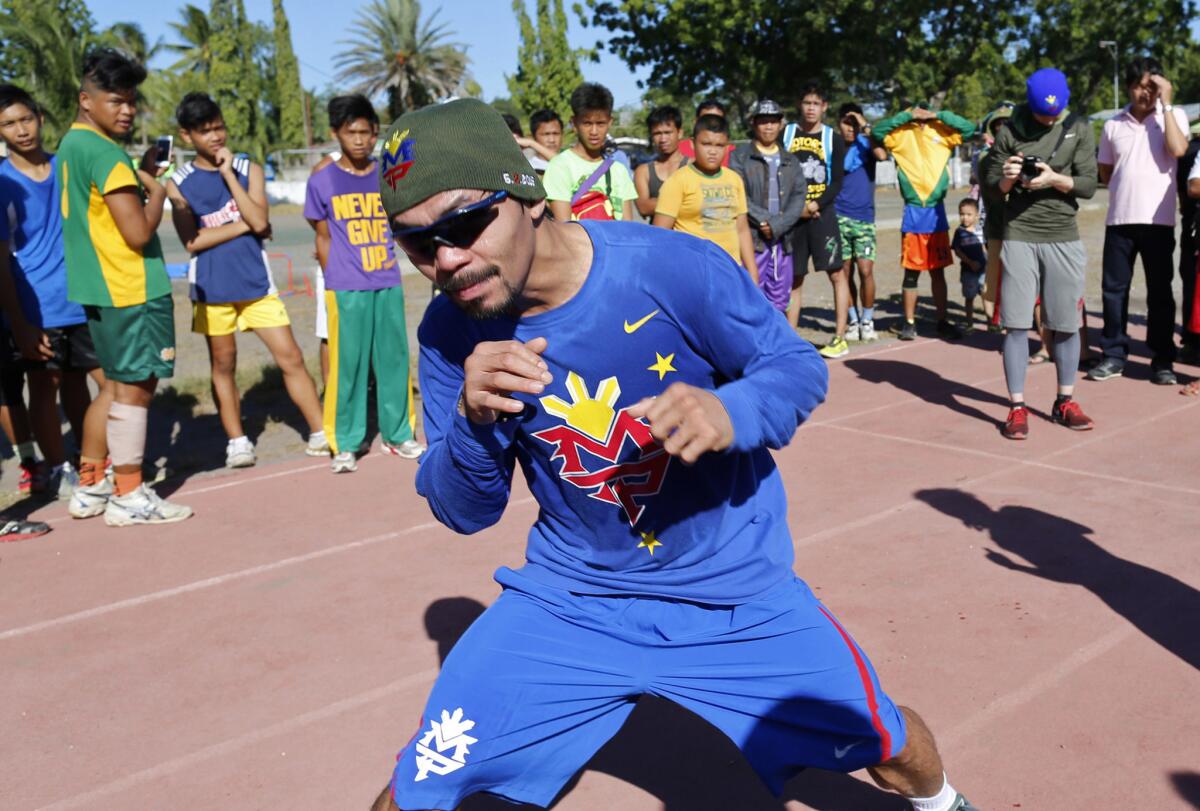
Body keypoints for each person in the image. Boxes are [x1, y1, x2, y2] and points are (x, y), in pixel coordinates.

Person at [370, 97, 979, 811]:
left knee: (889, 744)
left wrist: (731, 408)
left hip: (732, 591)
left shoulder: (671, 267)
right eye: (417, 244)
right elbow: (463, 512)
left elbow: (797, 368)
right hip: (574, 600)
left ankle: (945, 803)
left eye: (466, 224)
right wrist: (473, 424)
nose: (447, 259)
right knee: (417, 788)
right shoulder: (450, 334)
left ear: (528, 195)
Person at [56, 49, 191, 525]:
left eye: (131, 100)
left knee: (112, 390)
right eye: (116, 100)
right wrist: (154, 188)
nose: (127, 110)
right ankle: (129, 494)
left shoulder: (71, 145)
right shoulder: (107, 154)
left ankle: (91, 485)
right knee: (136, 390)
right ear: (86, 100)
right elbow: (137, 233)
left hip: (98, 286)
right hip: (131, 287)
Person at [165, 92, 327, 469]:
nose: (215, 136)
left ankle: (320, 431)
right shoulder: (179, 182)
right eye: (205, 131)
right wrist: (243, 224)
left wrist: (227, 176)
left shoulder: (247, 168)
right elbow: (194, 240)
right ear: (187, 136)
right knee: (223, 364)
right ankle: (237, 441)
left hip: (256, 284)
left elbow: (260, 220)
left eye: (219, 127)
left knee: (291, 357)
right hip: (211, 288)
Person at [304, 94, 425, 473]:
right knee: (347, 366)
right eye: (350, 132)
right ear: (336, 134)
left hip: (387, 279)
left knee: (394, 360)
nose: (359, 140)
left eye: (366, 132)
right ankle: (345, 441)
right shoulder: (322, 180)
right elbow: (321, 236)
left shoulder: (388, 175)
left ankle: (399, 434)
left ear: (376, 133)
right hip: (345, 286)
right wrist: (334, 277)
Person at [0, 83, 108, 500]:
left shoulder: (67, 165)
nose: (21, 130)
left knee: (97, 382)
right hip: (35, 307)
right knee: (46, 387)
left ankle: (93, 459)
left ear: (41, 118)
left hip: (84, 295)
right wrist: (21, 323)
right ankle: (60, 469)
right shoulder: (3, 182)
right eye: (9, 124)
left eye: (26, 118)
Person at [984, 67, 1097, 440]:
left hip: (1063, 235)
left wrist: (1053, 179)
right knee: (1016, 324)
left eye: (1055, 113)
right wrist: (1008, 177)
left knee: (1065, 323)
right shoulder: (1009, 130)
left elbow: (1088, 184)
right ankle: (1016, 407)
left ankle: (1065, 400)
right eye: (1042, 114)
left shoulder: (1079, 127)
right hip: (1018, 235)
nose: (1050, 119)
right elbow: (991, 190)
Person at [1090, 56, 1189, 385]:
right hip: (1119, 221)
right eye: (1138, 86)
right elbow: (1105, 170)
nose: (1144, 93)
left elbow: (1177, 150)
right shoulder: (1112, 125)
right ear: (1128, 88)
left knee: (1160, 293)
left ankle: (1162, 360)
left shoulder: (1172, 118)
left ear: (1160, 87)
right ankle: (1113, 355)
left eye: (1151, 86)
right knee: (1113, 292)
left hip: (1158, 223)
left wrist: (1168, 103)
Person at [874, 103, 975, 341]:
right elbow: (878, 132)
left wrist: (938, 115)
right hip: (913, 213)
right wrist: (906, 116)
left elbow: (969, 129)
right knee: (911, 273)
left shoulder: (942, 130)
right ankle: (909, 322)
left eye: (923, 115)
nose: (921, 119)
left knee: (937, 272)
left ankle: (942, 320)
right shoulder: (900, 133)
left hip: (937, 214)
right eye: (917, 115)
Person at [653, 114, 757, 275]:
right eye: (706, 144)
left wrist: (752, 272)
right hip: (692, 272)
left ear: (727, 146)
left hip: (730, 271)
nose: (713, 151)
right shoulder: (677, 181)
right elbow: (658, 237)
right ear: (693, 144)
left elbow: (742, 229)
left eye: (719, 145)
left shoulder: (734, 180)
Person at [730, 98, 807, 312]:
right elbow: (738, 193)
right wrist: (764, 220)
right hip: (753, 239)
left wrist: (778, 225)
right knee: (750, 297)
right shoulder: (739, 157)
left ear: (781, 124)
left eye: (773, 121)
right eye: (763, 121)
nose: (769, 126)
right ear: (754, 123)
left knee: (780, 300)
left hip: (783, 241)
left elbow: (799, 195)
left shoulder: (790, 160)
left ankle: (774, 344)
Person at [783, 82, 846, 339]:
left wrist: (816, 204)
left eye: (816, 104)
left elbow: (837, 181)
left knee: (837, 274)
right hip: (793, 219)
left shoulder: (833, 138)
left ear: (824, 107)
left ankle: (840, 335)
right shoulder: (786, 134)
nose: (811, 109)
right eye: (807, 103)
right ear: (800, 105)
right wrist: (796, 208)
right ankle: (789, 338)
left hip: (822, 216)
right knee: (795, 279)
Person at [834, 103, 888, 343]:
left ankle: (867, 319)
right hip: (837, 216)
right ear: (838, 124)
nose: (850, 128)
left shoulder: (867, 145)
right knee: (844, 272)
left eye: (853, 123)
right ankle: (852, 319)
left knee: (866, 269)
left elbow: (883, 156)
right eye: (846, 123)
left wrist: (864, 124)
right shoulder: (833, 147)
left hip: (864, 218)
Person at [544, 83, 637, 221]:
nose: (594, 132)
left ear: (610, 123)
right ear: (574, 123)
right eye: (587, 123)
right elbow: (564, 228)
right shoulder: (559, 166)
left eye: (600, 123)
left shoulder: (619, 171)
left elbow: (628, 227)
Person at [978, 103, 1013, 334]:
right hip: (998, 226)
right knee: (995, 277)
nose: (1002, 129)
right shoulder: (986, 158)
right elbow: (992, 191)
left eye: (1007, 124)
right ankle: (995, 318)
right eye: (998, 125)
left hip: (1024, 229)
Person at [633, 105, 688, 219]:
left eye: (668, 132)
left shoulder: (693, 166)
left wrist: (656, 202)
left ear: (680, 133)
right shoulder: (643, 171)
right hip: (656, 235)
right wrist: (684, 200)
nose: (663, 139)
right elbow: (643, 207)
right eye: (657, 133)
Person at [1176, 121, 1200, 366]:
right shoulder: (1194, 150)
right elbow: (1190, 188)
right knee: (1194, 286)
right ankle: (1193, 342)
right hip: (1195, 226)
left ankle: (1192, 342)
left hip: (1191, 222)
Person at [951, 198, 987, 329]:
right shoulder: (959, 232)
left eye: (968, 214)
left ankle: (991, 321)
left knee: (986, 295)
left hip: (983, 270)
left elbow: (984, 247)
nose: (965, 217)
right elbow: (957, 250)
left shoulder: (981, 230)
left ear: (977, 215)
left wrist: (986, 261)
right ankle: (969, 322)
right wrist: (970, 262)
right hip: (968, 271)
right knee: (969, 297)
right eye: (962, 214)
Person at [677, 98, 736, 167]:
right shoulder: (679, 150)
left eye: (717, 120)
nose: (712, 124)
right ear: (696, 122)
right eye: (706, 119)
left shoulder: (733, 153)